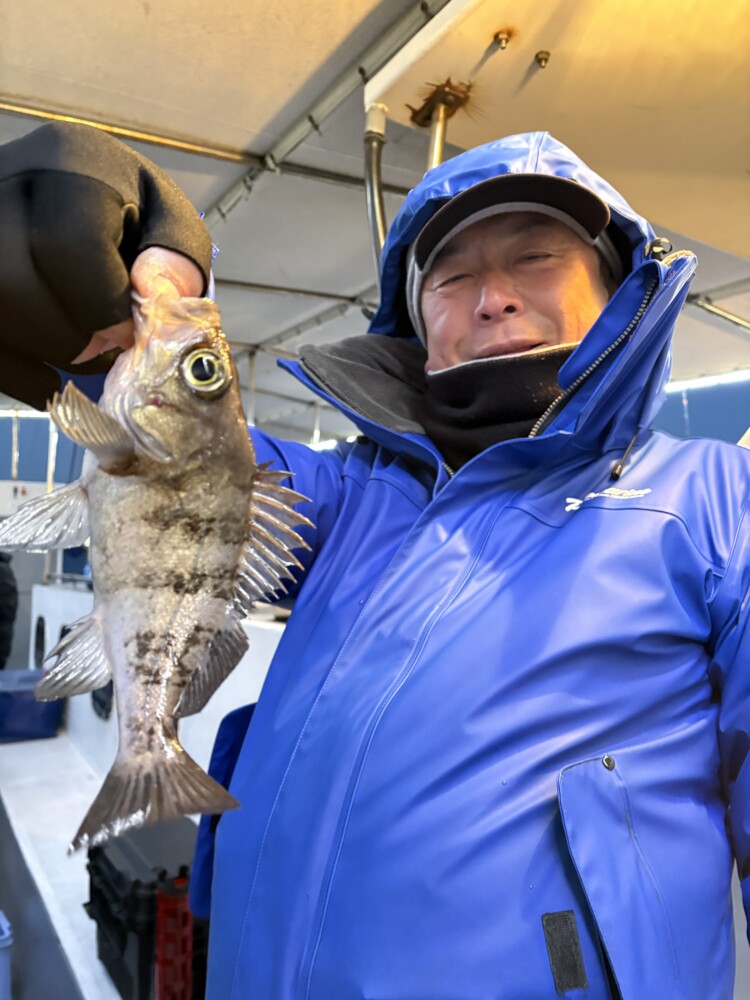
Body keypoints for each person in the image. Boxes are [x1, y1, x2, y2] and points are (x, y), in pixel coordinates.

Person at [1, 122, 749, 999]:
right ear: (417, 325)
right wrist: (92, 258)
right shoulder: (348, 492)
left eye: (536, 256)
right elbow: (192, 459)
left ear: (619, 284)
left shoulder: (718, 499)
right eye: (451, 276)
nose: (492, 297)